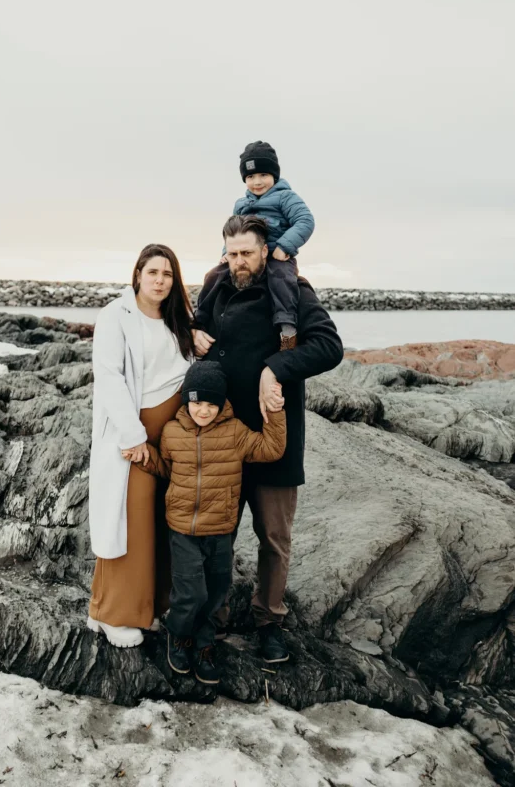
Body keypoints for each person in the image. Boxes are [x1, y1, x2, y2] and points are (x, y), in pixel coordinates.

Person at [193, 214, 344, 663]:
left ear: (265, 250)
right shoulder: (215, 285)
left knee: (273, 539)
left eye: (247, 253)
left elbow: (329, 345)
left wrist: (274, 369)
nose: (239, 262)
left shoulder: (294, 290)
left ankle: (269, 622)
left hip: (275, 437)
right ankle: (212, 616)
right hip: (225, 437)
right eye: (232, 253)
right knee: (217, 533)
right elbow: (198, 330)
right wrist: (195, 335)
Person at [141, 361, 286, 685]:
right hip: (182, 531)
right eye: (196, 403)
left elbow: (272, 448)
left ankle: (205, 646)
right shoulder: (172, 432)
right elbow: (167, 468)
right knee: (189, 592)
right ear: (185, 401)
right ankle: (178, 637)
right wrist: (146, 458)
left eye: (210, 404)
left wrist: (275, 410)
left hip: (220, 531)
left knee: (215, 594)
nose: (203, 411)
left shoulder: (235, 432)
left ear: (221, 403)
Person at [87, 244, 194, 647]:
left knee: (157, 523)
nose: (160, 281)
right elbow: (109, 377)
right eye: (153, 273)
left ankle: (139, 607)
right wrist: (133, 438)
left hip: (171, 440)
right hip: (134, 438)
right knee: (129, 522)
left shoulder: (176, 319)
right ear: (137, 275)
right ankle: (116, 615)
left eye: (167, 274)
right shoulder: (115, 316)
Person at [196, 140, 315, 350]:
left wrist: (284, 246)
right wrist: (226, 253)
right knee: (213, 276)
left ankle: (287, 328)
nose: (257, 182)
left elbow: (305, 221)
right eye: (250, 176)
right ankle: (200, 320)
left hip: (278, 256)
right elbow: (232, 232)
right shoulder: (241, 204)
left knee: (282, 281)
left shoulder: (285, 197)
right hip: (246, 257)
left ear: (274, 175)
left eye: (263, 175)